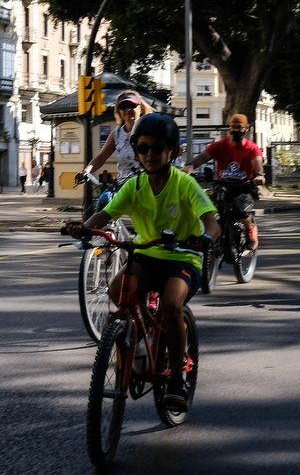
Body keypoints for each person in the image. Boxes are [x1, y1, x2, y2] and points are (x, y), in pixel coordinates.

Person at [64, 113, 220, 411]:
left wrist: (207, 239)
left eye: (157, 148)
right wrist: (85, 227)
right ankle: (135, 340)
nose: (149, 155)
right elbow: (106, 214)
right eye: (143, 148)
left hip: (181, 258)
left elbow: (211, 222)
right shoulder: (134, 186)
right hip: (146, 256)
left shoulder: (185, 184)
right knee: (116, 293)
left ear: (172, 151)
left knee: (172, 305)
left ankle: (176, 378)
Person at [185, 113, 265, 255]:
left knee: (241, 211)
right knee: (207, 210)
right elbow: (202, 158)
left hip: (243, 187)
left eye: (239, 127)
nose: (236, 131)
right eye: (233, 127)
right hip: (222, 187)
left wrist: (259, 175)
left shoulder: (251, 148)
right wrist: (190, 167)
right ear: (229, 128)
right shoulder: (220, 146)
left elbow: (257, 163)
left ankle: (250, 231)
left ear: (246, 129)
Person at [82, 90, 153, 211]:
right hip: (124, 185)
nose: (128, 110)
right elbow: (101, 157)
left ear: (140, 108)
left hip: (147, 184)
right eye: (123, 107)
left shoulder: (149, 131)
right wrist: (85, 172)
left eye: (132, 106)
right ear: (119, 112)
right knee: (104, 203)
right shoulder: (116, 135)